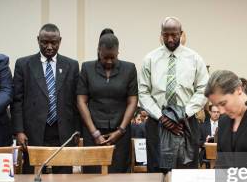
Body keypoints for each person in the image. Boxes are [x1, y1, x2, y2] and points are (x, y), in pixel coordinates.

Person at [138, 17, 209, 172]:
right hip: (157, 122)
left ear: (181, 33)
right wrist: (162, 118)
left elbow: (203, 89)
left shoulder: (195, 58)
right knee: (157, 172)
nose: (170, 39)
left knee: (186, 172)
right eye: (166, 35)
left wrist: (184, 114)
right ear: (161, 34)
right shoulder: (150, 59)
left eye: (174, 35)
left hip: (186, 122)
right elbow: (143, 92)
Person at [12, 23, 80, 173]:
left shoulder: (72, 65)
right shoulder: (23, 64)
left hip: (63, 132)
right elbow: (17, 100)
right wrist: (19, 131)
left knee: (64, 181)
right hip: (33, 132)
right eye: (44, 42)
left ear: (60, 41)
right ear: (38, 40)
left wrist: (77, 130)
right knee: (32, 179)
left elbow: (77, 101)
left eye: (54, 43)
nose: (49, 47)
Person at [77, 32, 138, 173]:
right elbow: (81, 101)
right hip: (93, 132)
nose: (109, 61)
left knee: (119, 177)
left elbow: (133, 101)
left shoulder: (129, 69)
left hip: (120, 133)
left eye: (113, 57)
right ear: (99, 51)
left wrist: (121, 130)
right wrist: (94, 133)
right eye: (105, 57)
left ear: (118, 52)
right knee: (92, 177)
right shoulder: (87, 68)